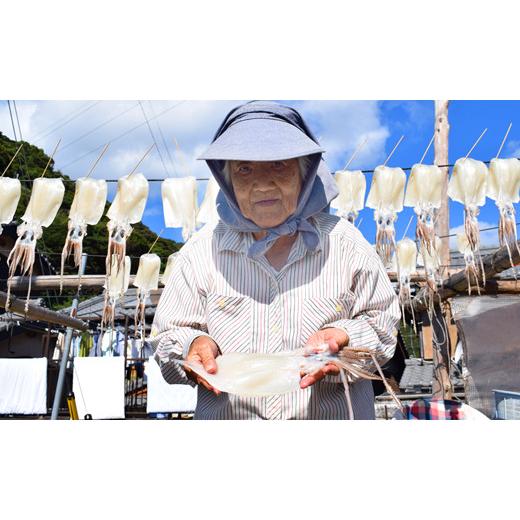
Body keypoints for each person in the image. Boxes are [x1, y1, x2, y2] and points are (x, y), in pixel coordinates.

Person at [149, 101, 400, 419]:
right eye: (244, 169)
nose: (263, 183)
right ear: (226, 180)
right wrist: (193, 344)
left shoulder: (347, 245)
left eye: (279, 165)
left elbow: (383, 328)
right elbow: (167, 337)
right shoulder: (200, 253)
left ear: (305, 172)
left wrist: (343, 336)